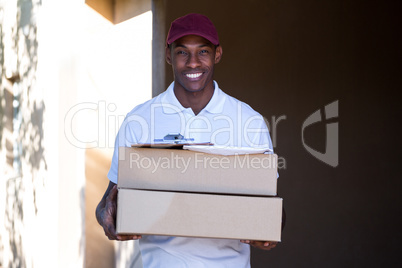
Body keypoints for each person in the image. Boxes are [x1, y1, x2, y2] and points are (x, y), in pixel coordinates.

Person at [96, 13, 282, 267]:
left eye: (203, 51)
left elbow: (273, 209)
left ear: (217, 54)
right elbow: (109, 201)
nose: (193, 63)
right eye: (182, 52)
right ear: (168, 55)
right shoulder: (140, 120)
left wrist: (268, 231)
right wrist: (108, 219)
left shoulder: (248, 121)